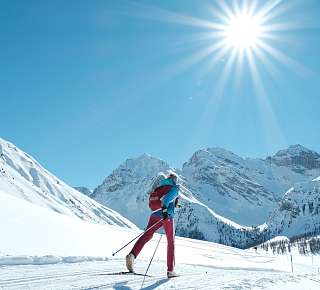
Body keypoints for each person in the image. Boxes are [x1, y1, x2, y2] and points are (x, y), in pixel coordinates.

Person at [126, 173, 180, 278]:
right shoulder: (174, 188)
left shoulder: (160, 187)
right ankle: (170, 270)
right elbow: (165, 201)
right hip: (166, 216)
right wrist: (165, 211)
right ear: (174, 180)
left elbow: (162, 200)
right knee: (170, 242)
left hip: (155, 214)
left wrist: (174, 205)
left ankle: (132, 255)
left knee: (147, 235)